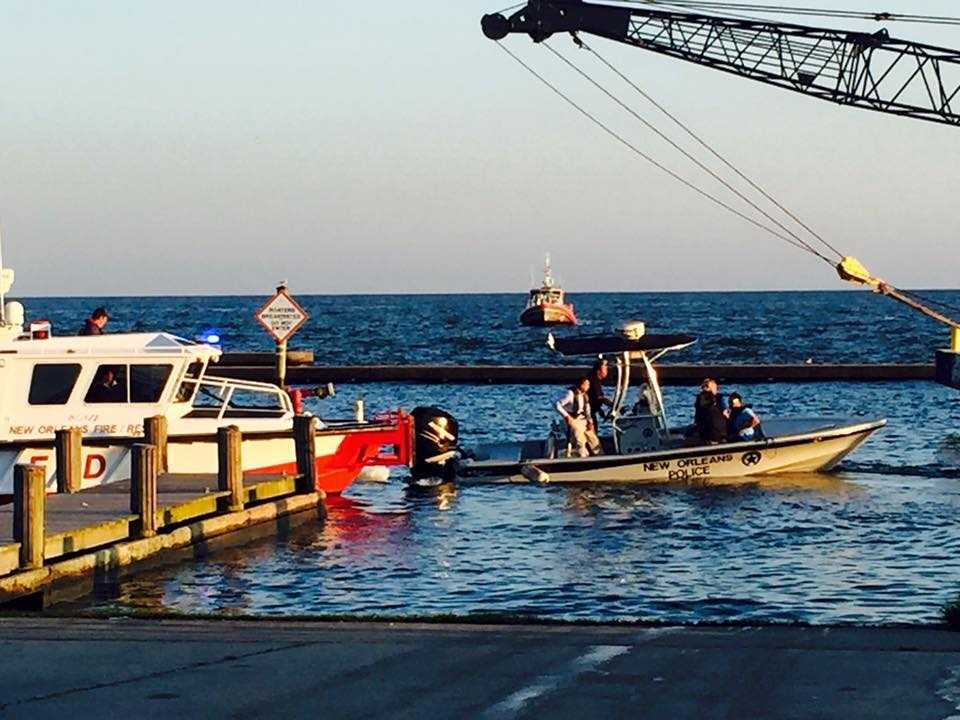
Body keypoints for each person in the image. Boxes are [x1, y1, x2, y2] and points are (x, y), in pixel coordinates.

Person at [555, 376, 602, 458]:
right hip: (573, 419)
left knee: (592, 437)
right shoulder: (570, 394)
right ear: (582, 385)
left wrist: (590, 422)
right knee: (579, 437)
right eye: (587, 384)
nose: (589, 386)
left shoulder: (585, 396)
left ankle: (600, 455)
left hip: (582, 419)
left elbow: (587, 411)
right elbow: (557, 404)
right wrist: (566, 416)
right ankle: (582, 455)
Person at [692, 377, 727, 444]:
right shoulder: (719, 398)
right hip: (719, 432)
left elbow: (697, 418)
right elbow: (725, 414)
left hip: (704, 433)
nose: (717, 390)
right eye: (716, 388)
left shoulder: (699, 400)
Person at [586, 358, 614, 428]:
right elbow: (599, 398)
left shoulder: (593, 378)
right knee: (593, 429)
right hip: (586, 412)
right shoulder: (594, 380)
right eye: (605, 368)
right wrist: (613, 405)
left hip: (590, 410)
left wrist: (599, 410)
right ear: (598, 371)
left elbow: (593, 397)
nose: (607, 370)